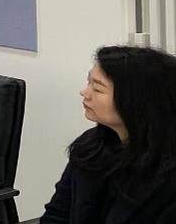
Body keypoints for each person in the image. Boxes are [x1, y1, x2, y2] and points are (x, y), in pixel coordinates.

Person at [40, 45, 176, 223]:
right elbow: (56, 214)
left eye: (98, 89)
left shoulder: (168, 174)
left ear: (136, 100)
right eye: (89, 82)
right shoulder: (90, 145)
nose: (85, 93)